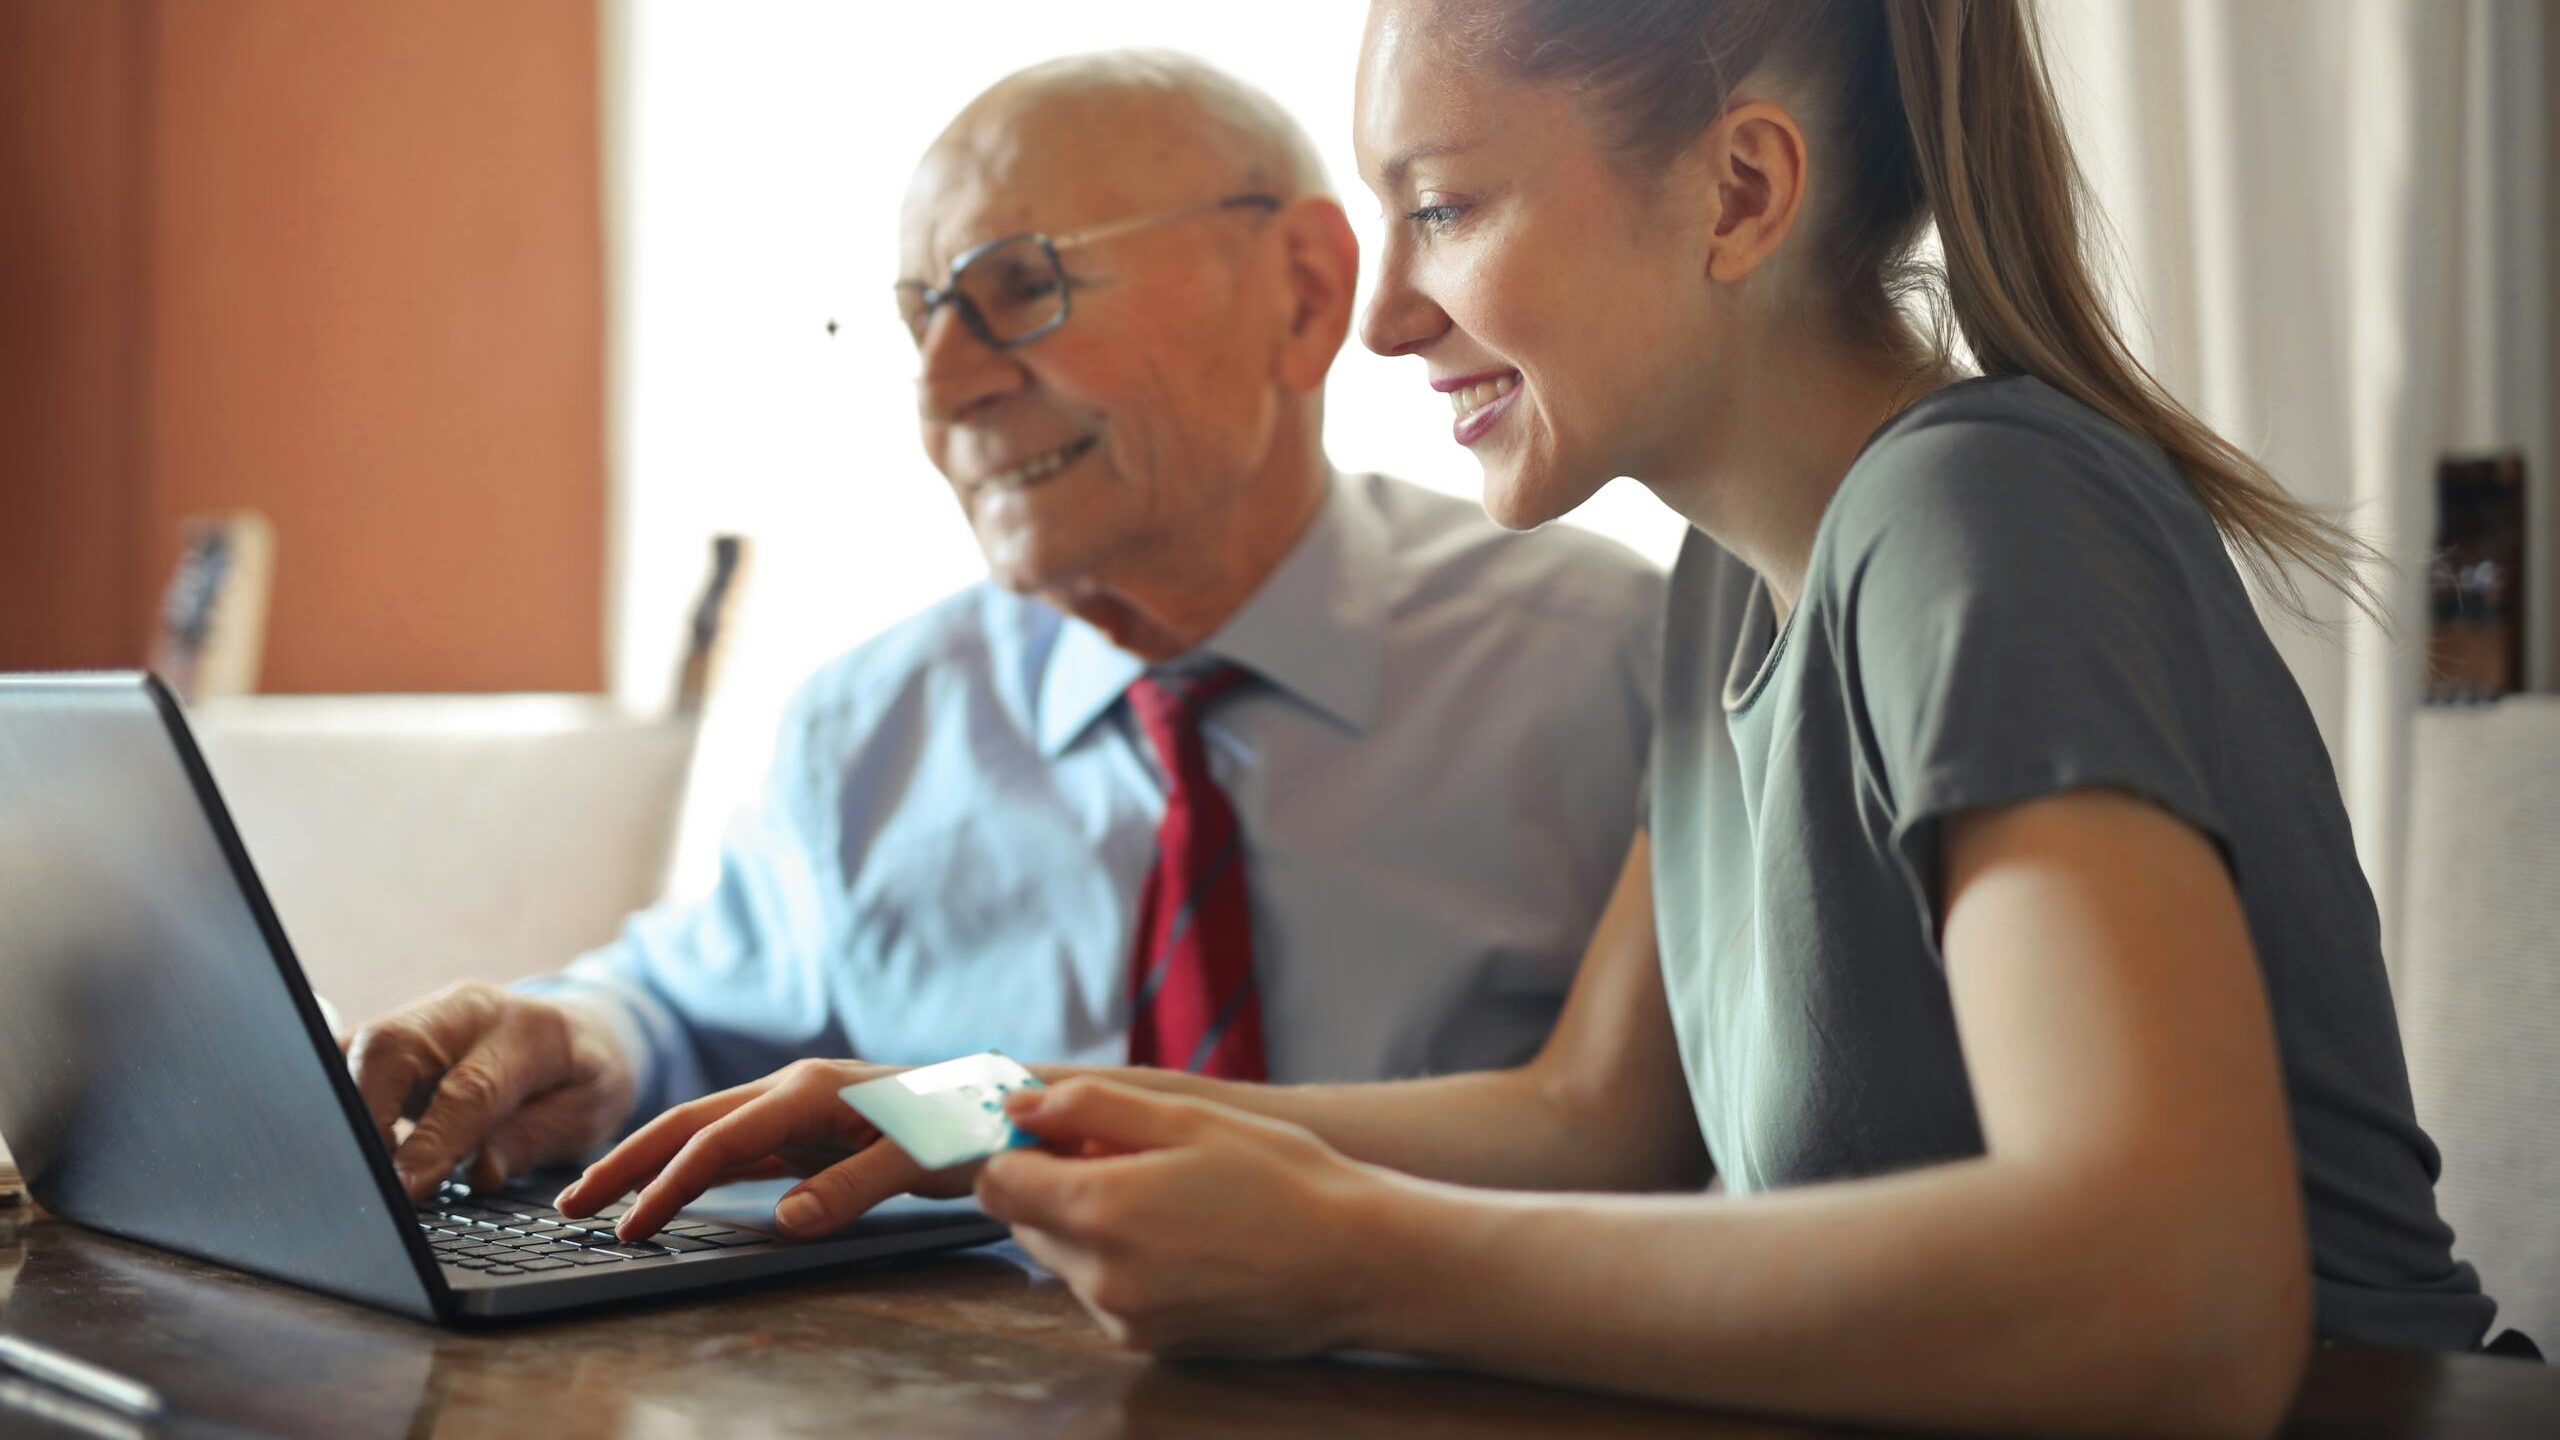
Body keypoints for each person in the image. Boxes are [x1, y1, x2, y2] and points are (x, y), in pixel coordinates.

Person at [561, 4, 2520, 1434]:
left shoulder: (1967, 514)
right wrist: (977, 1109)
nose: (1389, 317)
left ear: (1741, 191)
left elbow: (2168, 1304)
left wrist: (1350, 1258)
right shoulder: (1722, 594)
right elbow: (1586, 1126)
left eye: (1445, 208)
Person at [342, 50, 1663, 1227]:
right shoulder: (869, 725)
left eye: (1019, 287)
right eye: (922, 314)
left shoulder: (1615, 666)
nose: (942, 389)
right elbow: (689, 1009)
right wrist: (575, 1041)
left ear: (1306, 293)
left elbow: (1666, 1144)